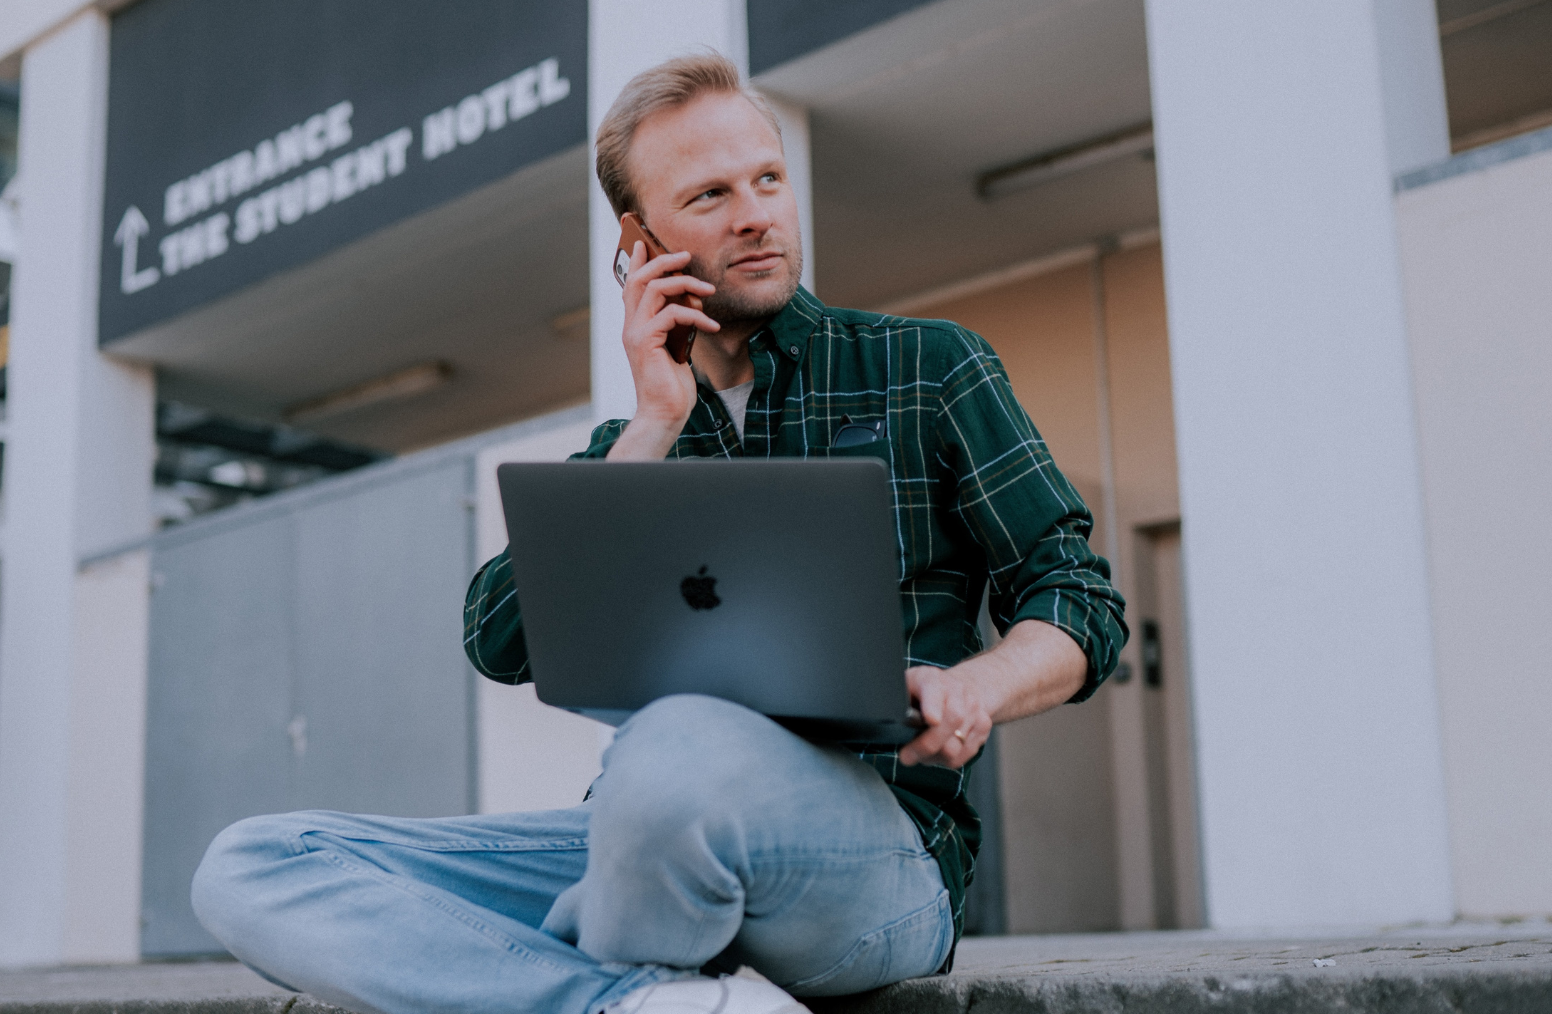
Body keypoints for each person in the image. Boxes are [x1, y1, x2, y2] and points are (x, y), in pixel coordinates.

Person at [193, 53, 1125, 1014]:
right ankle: (641, 1003)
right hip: (642, 837)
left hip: (878, 855)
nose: (756, 212)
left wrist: (976, 685)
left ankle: (592, 982)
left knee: (679, 741)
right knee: (253, 865)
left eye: (767, 179)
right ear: (639, 243)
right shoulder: (634, 443)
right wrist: (650, 424)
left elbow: (1079, 599)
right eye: (712, 194)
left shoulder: (928, 369)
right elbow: (498, 637)